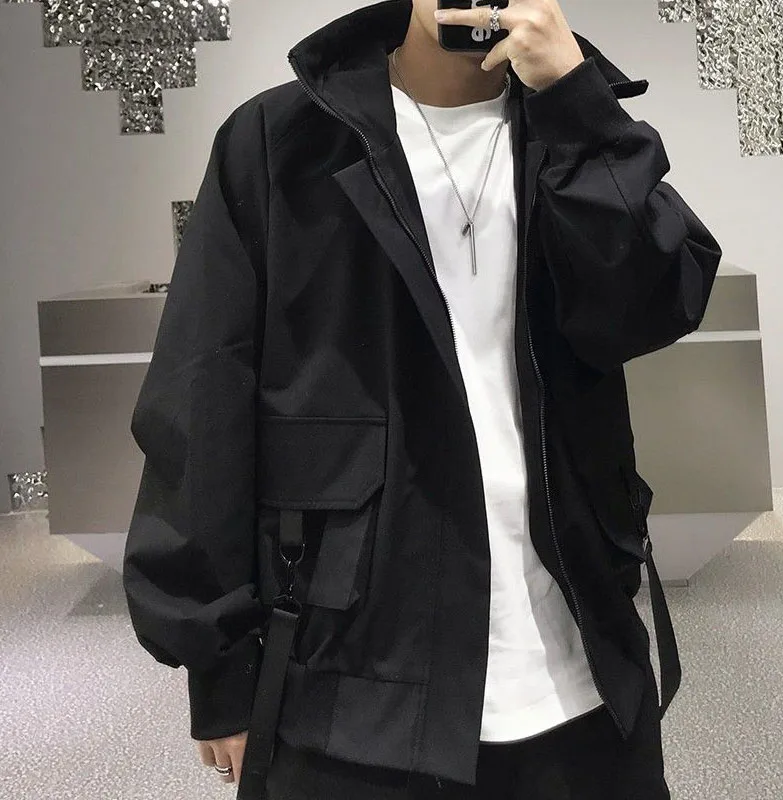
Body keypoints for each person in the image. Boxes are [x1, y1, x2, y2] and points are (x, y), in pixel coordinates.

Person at [122, 0, 723, 798]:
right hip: (350, 680)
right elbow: (203, 396)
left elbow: (656, 305)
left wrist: (578, 107)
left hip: (582, 668)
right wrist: (218, 663)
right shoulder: (281, 140)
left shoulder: (571, 128)